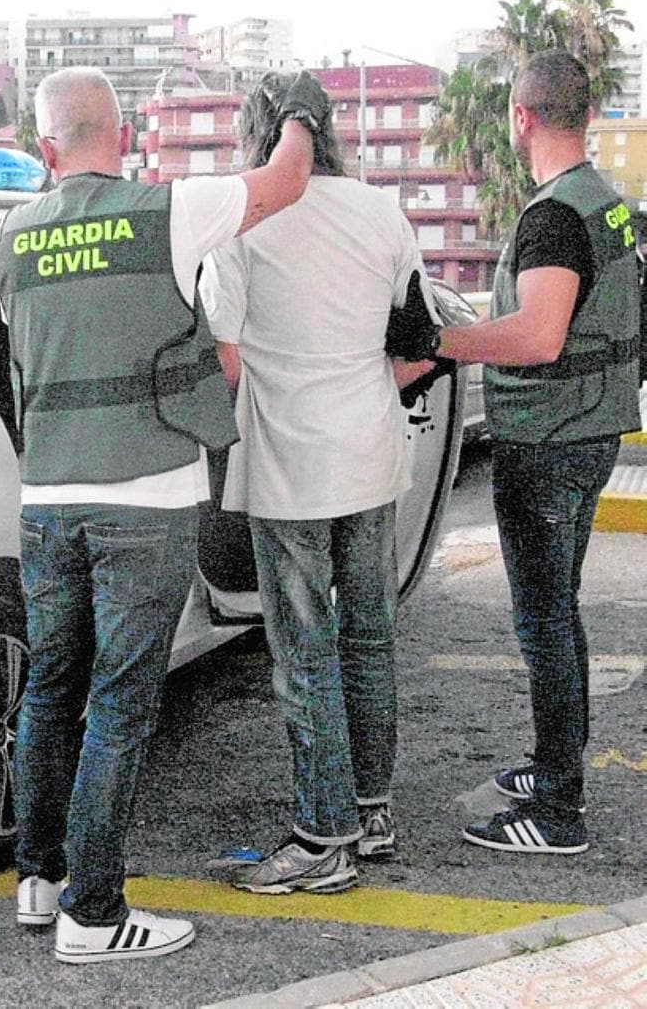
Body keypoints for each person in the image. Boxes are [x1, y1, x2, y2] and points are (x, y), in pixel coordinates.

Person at [0, 65, 327, 963]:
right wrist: (297, 114)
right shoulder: (166, 212)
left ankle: (41, 881)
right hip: (146, 498)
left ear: (43, 149)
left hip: (47, 501)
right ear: (128, 130)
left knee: (50, 690)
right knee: (118, 706)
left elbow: (7, 363)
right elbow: (288, 180)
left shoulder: (11, 235)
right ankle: (94, 917)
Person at [391, 49, 641, 855]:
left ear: (521, 118)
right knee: (558, 614)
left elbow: (537, 335)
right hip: (594, 428)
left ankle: (557, 808)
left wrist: (437, 341)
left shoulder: (551, 218)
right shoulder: (611, 205)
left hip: (546, 439)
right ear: (587, 114)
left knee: (544, 622)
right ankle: (552, 763)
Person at [197, 72, 424, 894]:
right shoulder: (381, 210)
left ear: (256, 134)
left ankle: (320, 836)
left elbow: (223, 356)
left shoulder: (244, 218)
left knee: (303, 652)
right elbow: (420, 334)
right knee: (368, 634)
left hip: (291, 463)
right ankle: (371, 812)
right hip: (371, 450)